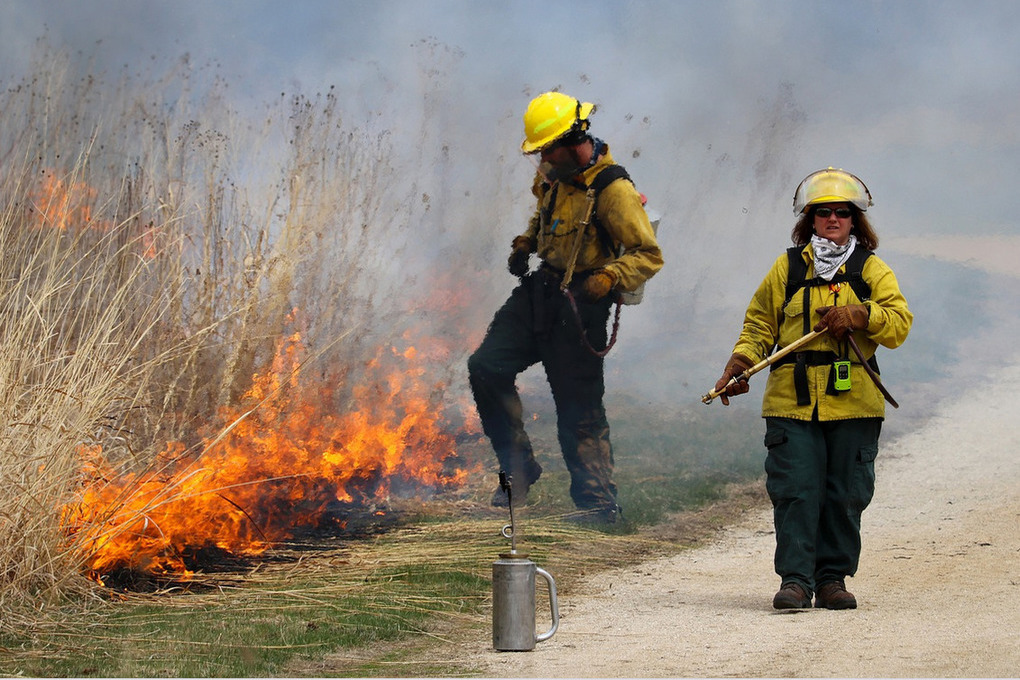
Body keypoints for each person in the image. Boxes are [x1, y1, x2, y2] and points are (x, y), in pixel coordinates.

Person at [713, 167, 912, 609]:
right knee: (796, 490)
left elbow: (898, 325)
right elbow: (760, 322)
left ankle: (832, 580)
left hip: (855, 402)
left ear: (856, 220)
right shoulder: (786, 268)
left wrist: (861, 316)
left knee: (845, 495)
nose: (833, 219)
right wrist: (741, 361)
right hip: (790, 400)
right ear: (810, 219)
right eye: (823, 213)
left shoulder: (872, 270)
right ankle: (796, 582)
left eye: (843, 212)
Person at [467, 91, 663, 524]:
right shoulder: (557, 173)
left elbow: (648, 254)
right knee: (485, 366)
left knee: (578, 410)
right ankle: (517, 471)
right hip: (541, 293)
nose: (542, 159)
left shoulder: (614, 189)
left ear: (574, 137)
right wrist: (526, 242)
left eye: (547, 149)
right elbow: (547, 215)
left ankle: (598, 504)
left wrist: (609, 277)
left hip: (582, 307)